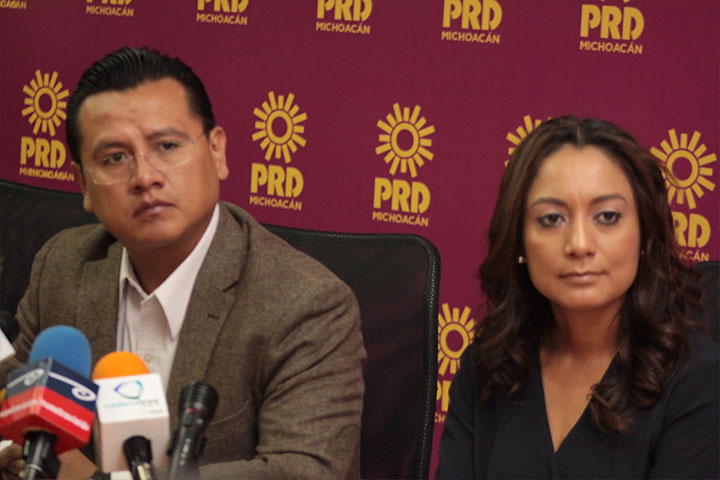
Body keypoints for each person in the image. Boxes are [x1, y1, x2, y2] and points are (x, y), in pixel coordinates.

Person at [0, 46, 365, 479]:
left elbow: (304, 472)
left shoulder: (306, 303)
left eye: (167, 146)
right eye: (115, 158)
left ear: (217, 152)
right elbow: (15, 398)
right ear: (84, 184)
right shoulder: (64, 264)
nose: (145, 176)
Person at [435, 116, 719, 479]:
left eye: (607, 216)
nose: (579, 244)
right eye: (552, 219)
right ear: (519, 240)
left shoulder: (697, 379)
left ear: (644, 234)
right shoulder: (487, 364)